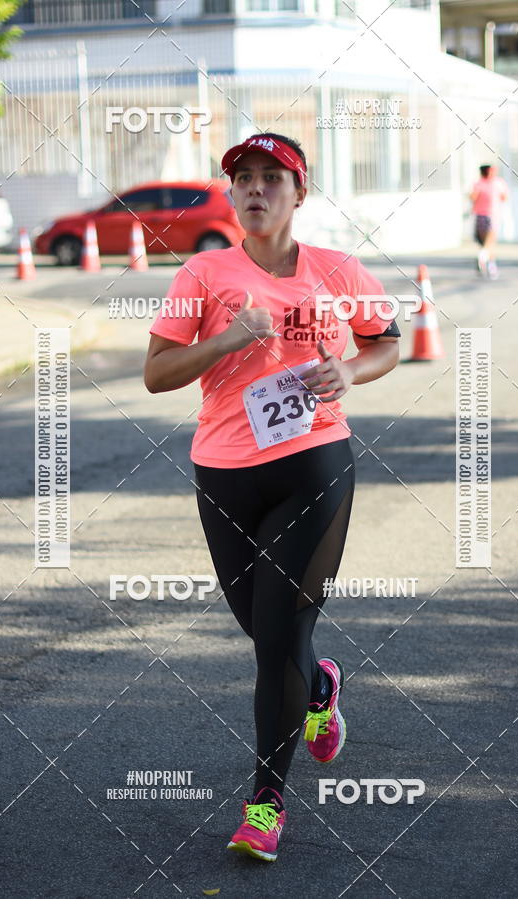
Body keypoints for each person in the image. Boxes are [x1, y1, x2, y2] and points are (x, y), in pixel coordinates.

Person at [144, 132, 400, 863]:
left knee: (275, 640)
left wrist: (351, 372)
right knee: (265, 631)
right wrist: (226, 340)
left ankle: (265, 802)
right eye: (244, 178)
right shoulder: (202, 272)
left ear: (299, 193)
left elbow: (387, 340)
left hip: (314, 460)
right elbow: (157, 374)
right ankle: (321, 683)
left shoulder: (337, 269)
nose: (256, 189)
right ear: (231, 194)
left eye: (272, 179)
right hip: (224, 471)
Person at [469, 163, 509, 279]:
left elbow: (472, 197)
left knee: (485, 244)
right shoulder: (498, 183)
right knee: (490, 244)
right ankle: (484, 260)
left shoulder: (478, 184)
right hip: (492, 216)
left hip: (480, 216)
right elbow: (504, 197)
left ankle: (490, 267)